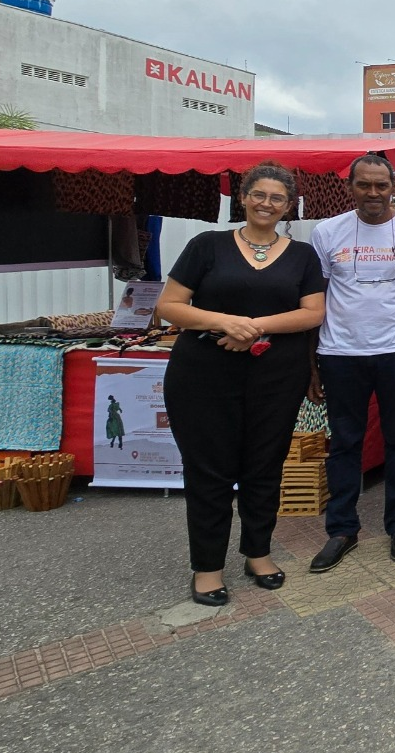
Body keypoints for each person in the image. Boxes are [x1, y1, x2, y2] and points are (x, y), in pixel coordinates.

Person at [155, 161, 326, 606]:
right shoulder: (207, 246)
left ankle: (258, 553)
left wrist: (251, 326)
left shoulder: (303, 256)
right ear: (243, 198)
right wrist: (223, 322)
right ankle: (208, 568)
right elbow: (170, 305)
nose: (267, 204)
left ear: (289, 206)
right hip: (203, 374)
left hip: (275, 375)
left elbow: (312, 313)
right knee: (208, 470)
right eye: (259, 195)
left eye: (277, 198)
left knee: (264, 466)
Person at [306, 154, 395, 573]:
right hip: (340, 352)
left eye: (380, 186)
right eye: (364, 185)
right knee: (345, 442)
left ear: (393, 187)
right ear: (351, 187)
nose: (373, 194)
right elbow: (315, 301)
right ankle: (342, 530)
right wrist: (311, 362)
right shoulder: (326, 232)